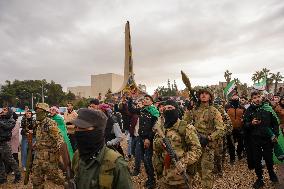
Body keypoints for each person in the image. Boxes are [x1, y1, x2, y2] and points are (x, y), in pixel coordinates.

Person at [71, 108, 133, 189]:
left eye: (83, 128)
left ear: (97, 131)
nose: (78, 132)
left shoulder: (117, 164)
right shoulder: (77, 155)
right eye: (76, 127)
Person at [153, 99, 202, 189]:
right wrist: (161, 142)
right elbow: (156, 149)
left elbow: (197, 150)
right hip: (166, 177)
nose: (168, 110)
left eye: (170, 108)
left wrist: (183, 162)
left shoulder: (186, 128)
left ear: (176, 110)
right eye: (166, 108)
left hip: (183, 176)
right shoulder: (161, 130)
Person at [183, 87, 225, 189]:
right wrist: (188, 110)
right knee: (195, 170)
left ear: (210, 97)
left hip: (207, 145)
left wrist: (209, 138)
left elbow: (221, 130)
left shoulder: (214, 111)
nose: (203, 95)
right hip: (195, 145)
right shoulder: (195, 110)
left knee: (207, 172)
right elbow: (184, 124)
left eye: (206, 93)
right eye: (202, 93)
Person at [244, 91, 279, 189]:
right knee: (257, 160)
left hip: (267, 140)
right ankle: (260, 179)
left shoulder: (268, 108)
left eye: (258, 97)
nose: (257, 99)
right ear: (252, 99)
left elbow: (275, 123)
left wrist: (275, 134)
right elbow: (244, 125)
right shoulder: (249, 110)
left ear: (261, 97)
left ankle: (272, 174)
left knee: (268, 158)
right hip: (254, 140)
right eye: (255, 97)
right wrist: (251, 123)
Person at [128, 95, 160, 189]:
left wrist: (148, 139)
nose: (145, 100)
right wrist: (130, 98)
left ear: (152, 102)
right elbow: (131, 110)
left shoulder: (154, 112)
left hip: (148, 139)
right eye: (144, 99)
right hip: (140, 138)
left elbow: (154, 127)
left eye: (147, 99)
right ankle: (148, 178)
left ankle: (152, 180)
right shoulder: (142, 110)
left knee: (147, 160)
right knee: (138, 155)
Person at [32, 103, 65, 189]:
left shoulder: (50, 123)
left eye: (39, 111)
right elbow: (42, 137)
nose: (36, 113)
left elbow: (59, 138)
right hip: (38, 157)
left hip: (49, 159)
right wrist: (36, 143)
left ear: (45, 113)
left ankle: (69, 185)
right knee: (36, 180)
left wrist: (61, 152)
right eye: (36, 111)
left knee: (55, 179)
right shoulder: (38, 123)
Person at [0, 107, 21, 184]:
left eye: (5, 110)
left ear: (9, 112)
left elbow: (7, 127)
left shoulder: (11, 121)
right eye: (3, 109)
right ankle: (2, 178)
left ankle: (18, 175)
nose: (3, 111)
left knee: (10, 160)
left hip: (5, 143)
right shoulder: (1, 118)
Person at [225, 93, 246, 162]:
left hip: (240, 128)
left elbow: (246, 117)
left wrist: (244, 120)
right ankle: (232, 158)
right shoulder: (227, 107)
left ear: (238, 97)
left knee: (241, 143)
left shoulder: (242, 107)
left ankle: (239, 154)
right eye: (233, 95)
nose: (235, 96)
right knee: (231, 144)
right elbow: (223, 117)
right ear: (231, 97)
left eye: (236, 95)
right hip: (230, 129)